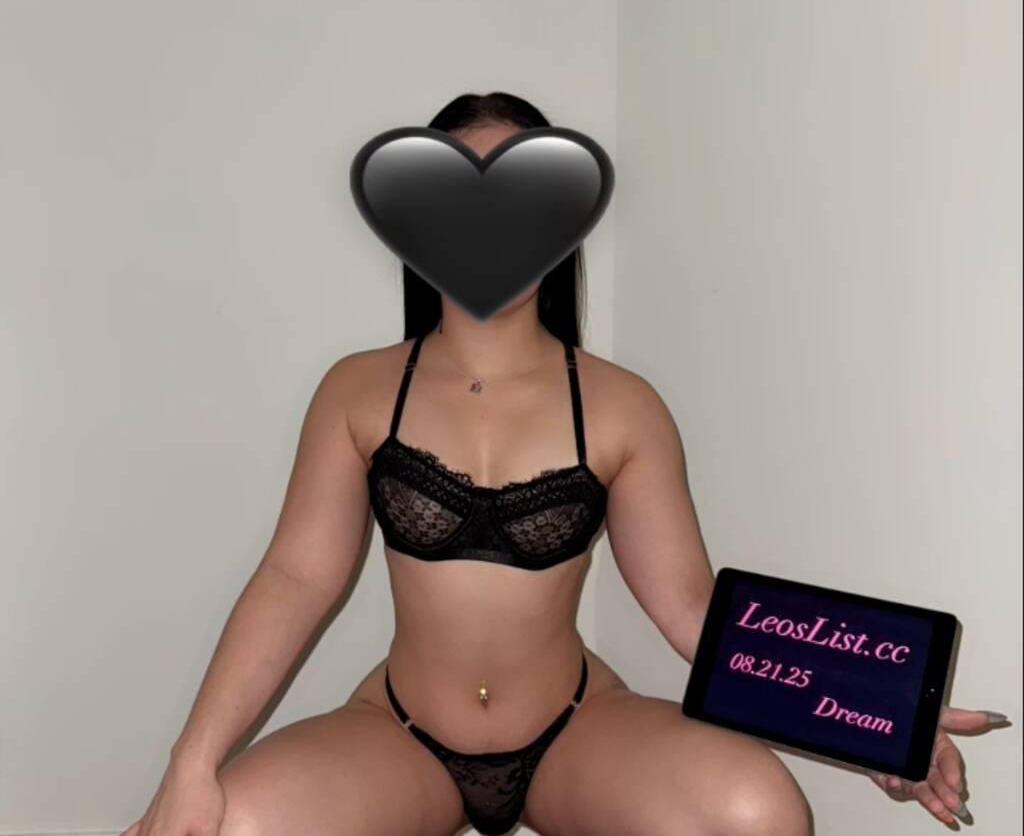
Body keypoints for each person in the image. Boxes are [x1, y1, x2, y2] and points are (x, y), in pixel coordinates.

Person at [123, 93, 961, 836]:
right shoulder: (358, 391)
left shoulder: (623, 405)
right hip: (401, 734)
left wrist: (874, 725)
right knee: (230, 824)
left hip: (575, 729)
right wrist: (190, 762)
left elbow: (690, 608)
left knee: (757, 813)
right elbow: (296, 577)